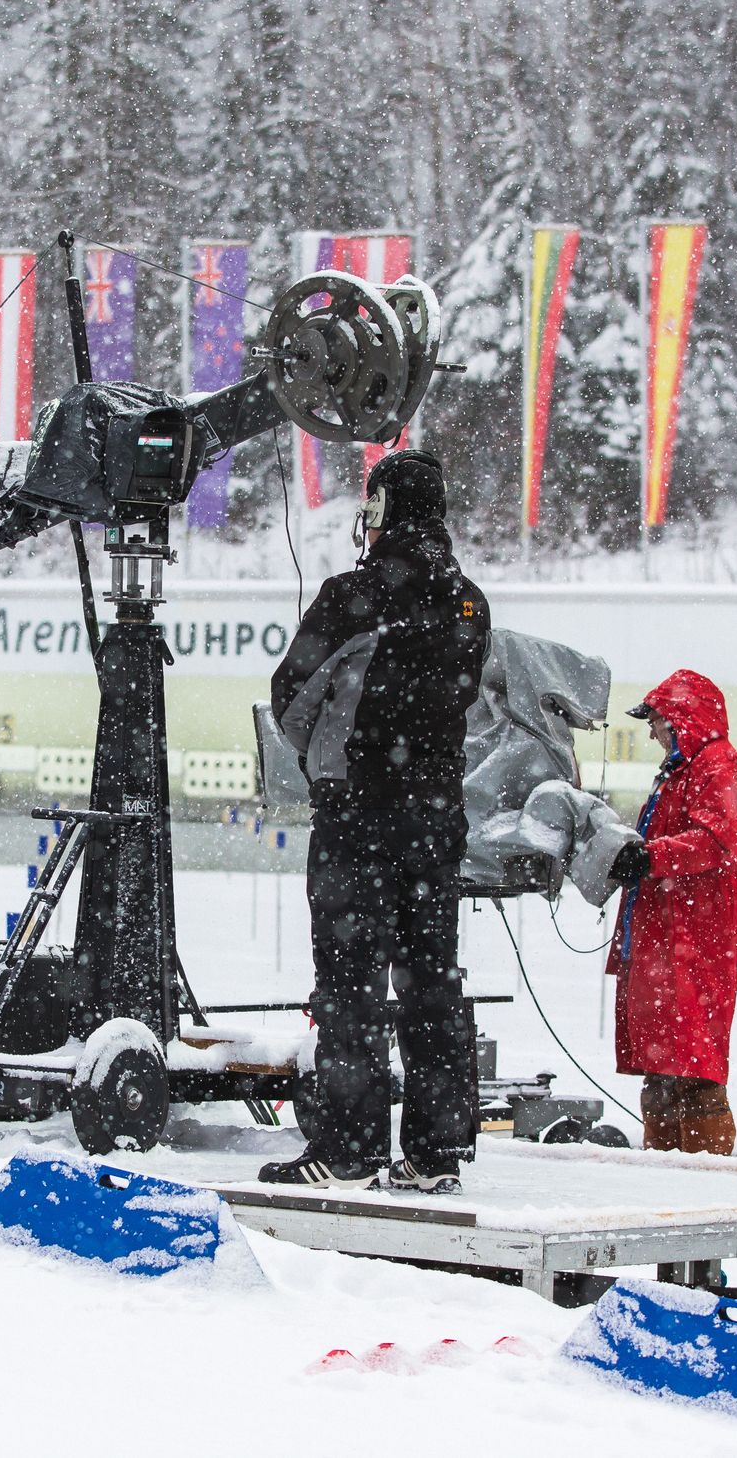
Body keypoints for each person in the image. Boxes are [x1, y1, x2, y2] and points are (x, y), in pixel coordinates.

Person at [262, 450, 491, 1192]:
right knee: (432, 982)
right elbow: (469, 705)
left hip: (357, 816)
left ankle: (349, 1146)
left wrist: (332, 760)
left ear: (382, 509)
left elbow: (291, 699)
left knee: (349, 986)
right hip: (436, 821)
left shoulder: (351, 596)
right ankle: (435, 1152)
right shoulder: (470, 604)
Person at [599, 670, 737, 1155]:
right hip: (668, 932)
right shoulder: (683, 770)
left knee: (692, 1063)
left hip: (695, 936)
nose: (651, 732)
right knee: (663, 1066)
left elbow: (716, 841)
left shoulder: (716, 766)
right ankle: (665, 1164)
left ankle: (702, 1171)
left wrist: (649, 858)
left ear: (680, 720)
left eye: (655, 721)